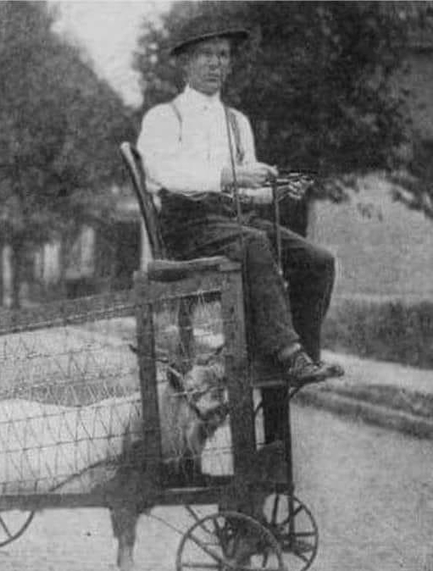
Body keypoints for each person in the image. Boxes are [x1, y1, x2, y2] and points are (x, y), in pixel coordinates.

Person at [137, 14, 343, 386]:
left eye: (223, 55)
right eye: (205, 54)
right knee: (255, 243)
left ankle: (302, 358)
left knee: (317, 260)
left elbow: (246, 190)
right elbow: (167, 174)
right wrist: (230, 175)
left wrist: (276, 191)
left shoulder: (237, 122)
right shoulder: (165, 118)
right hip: (187, 227)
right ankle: (286, 354)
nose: (216, 63)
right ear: (185, 62)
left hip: (234, 222)